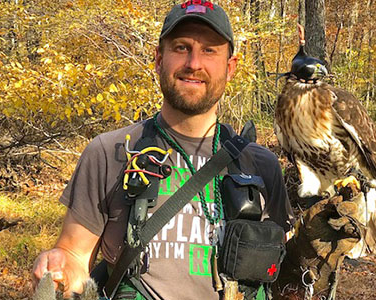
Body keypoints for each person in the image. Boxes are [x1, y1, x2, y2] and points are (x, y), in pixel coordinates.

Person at [32, 1, 294, 299]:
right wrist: (59, 268)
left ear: (230, 67)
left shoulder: (262, 165)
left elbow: (282, 273)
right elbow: (75, 255)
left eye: (209, 50)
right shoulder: (109, 152)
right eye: (181, 47)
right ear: (158, 59)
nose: (194, 63)